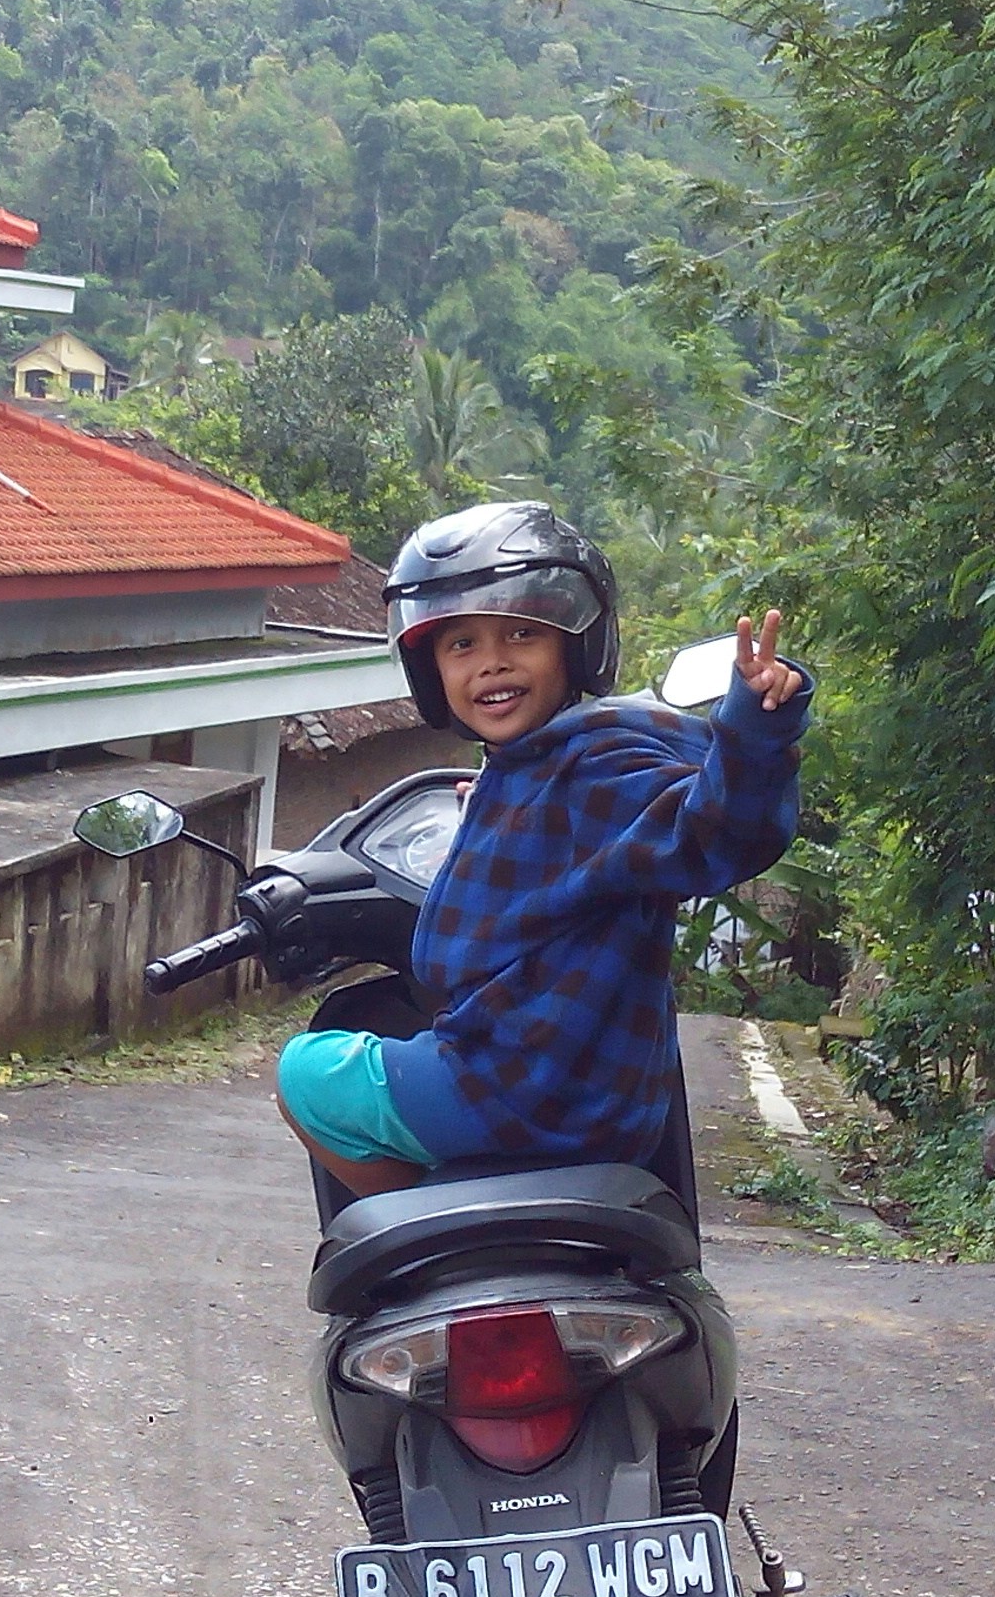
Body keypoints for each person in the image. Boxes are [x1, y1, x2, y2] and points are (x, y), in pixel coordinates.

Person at [276, 501, 810, 1199]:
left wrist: (755, 726)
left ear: (574, 645)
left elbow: (715, 830)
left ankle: (431, 1229)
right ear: (430, 666)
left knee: (305, 1074)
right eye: (460, 644)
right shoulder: (541, 766)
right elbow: (573, 844)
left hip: (512, 1089)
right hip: (603, 1103)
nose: (492, 663)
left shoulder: (598, 764)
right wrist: (490, 809)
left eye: (522, 633)